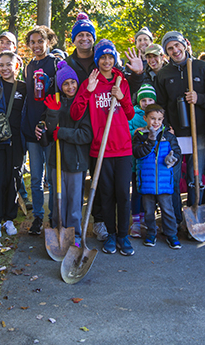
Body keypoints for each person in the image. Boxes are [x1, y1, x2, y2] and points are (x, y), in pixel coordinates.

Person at [71, 39, 136, 255]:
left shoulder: (121, 82)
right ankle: (110, 234)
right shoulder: (91, 82)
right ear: (97, 60)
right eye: (102, 57)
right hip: (101, 149)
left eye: (110, 57)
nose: (107, 61)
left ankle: (123, 236)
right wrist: (88, 91)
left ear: (114, 59)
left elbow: (130, 114)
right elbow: (75, 114)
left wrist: (121, 98)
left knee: (122, 195)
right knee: (106, 194)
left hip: (123, 148)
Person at [154, 31, 205, 227]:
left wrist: (200, 98)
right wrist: (166, 128)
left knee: (195, 174)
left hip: (199, 131)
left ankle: (195, 210)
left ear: (185, 45)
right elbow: (161, 104)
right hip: (175, 134)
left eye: (177, 46)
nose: (174, 50)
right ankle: (175, 220)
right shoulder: (163, 74)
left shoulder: (203, 69)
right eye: (169, 48)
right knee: (173, 175)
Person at [42, 61, 93, 247]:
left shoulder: (83, 103)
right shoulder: (55, 101)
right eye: (66, 83)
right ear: (60, 86)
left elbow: (86, 134)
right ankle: (57, 229)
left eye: (73, 82)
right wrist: (52, 114)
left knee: (73, 201)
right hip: (57, 160)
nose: (70, 87)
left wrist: (62, 132)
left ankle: (75, 233)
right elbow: (49, 130)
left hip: (76, 161)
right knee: (57, 199)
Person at [0, 52, 27, 238]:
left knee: (13, 179)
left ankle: (9, 218)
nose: (5, 68)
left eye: (9, 64)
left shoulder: (24, 88)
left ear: (16, 67)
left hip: (16, 141)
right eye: (1, 65)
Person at [22, 26, 59, 235]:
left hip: (49, 130)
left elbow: (58, 97)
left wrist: (46, 123)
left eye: (40, 41)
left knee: (52, 179)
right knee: (36, 178)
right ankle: (37, 216)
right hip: (31, 131)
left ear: (48, 42)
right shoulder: (28, 67)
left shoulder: (55, 63)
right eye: (32, 42)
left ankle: (53, 216)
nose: (36, 46)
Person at [132, 104, 182, 249]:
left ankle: (171, 234)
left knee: (167, 209)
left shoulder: (168, 136)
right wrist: (150, 141)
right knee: (148, 211)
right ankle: (151, 234)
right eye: (152, 118)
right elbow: (137, 153)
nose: (156, 122)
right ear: (145, 118)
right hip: (147, 182)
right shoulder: (140, 136)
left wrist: (173, 159)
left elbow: (177, 152)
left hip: (164, 181)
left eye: (159, 119)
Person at [128, 83, 157, 238]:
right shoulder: (133, 114)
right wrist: (136, 131)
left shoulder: (156, 115)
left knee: (149, 191)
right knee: (137, 192)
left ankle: (147, 218)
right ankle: (136, 222)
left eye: (150, 100)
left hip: (150, 163)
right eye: (143, 100)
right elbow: (126, 129)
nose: (146, 103)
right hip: (136, 162)